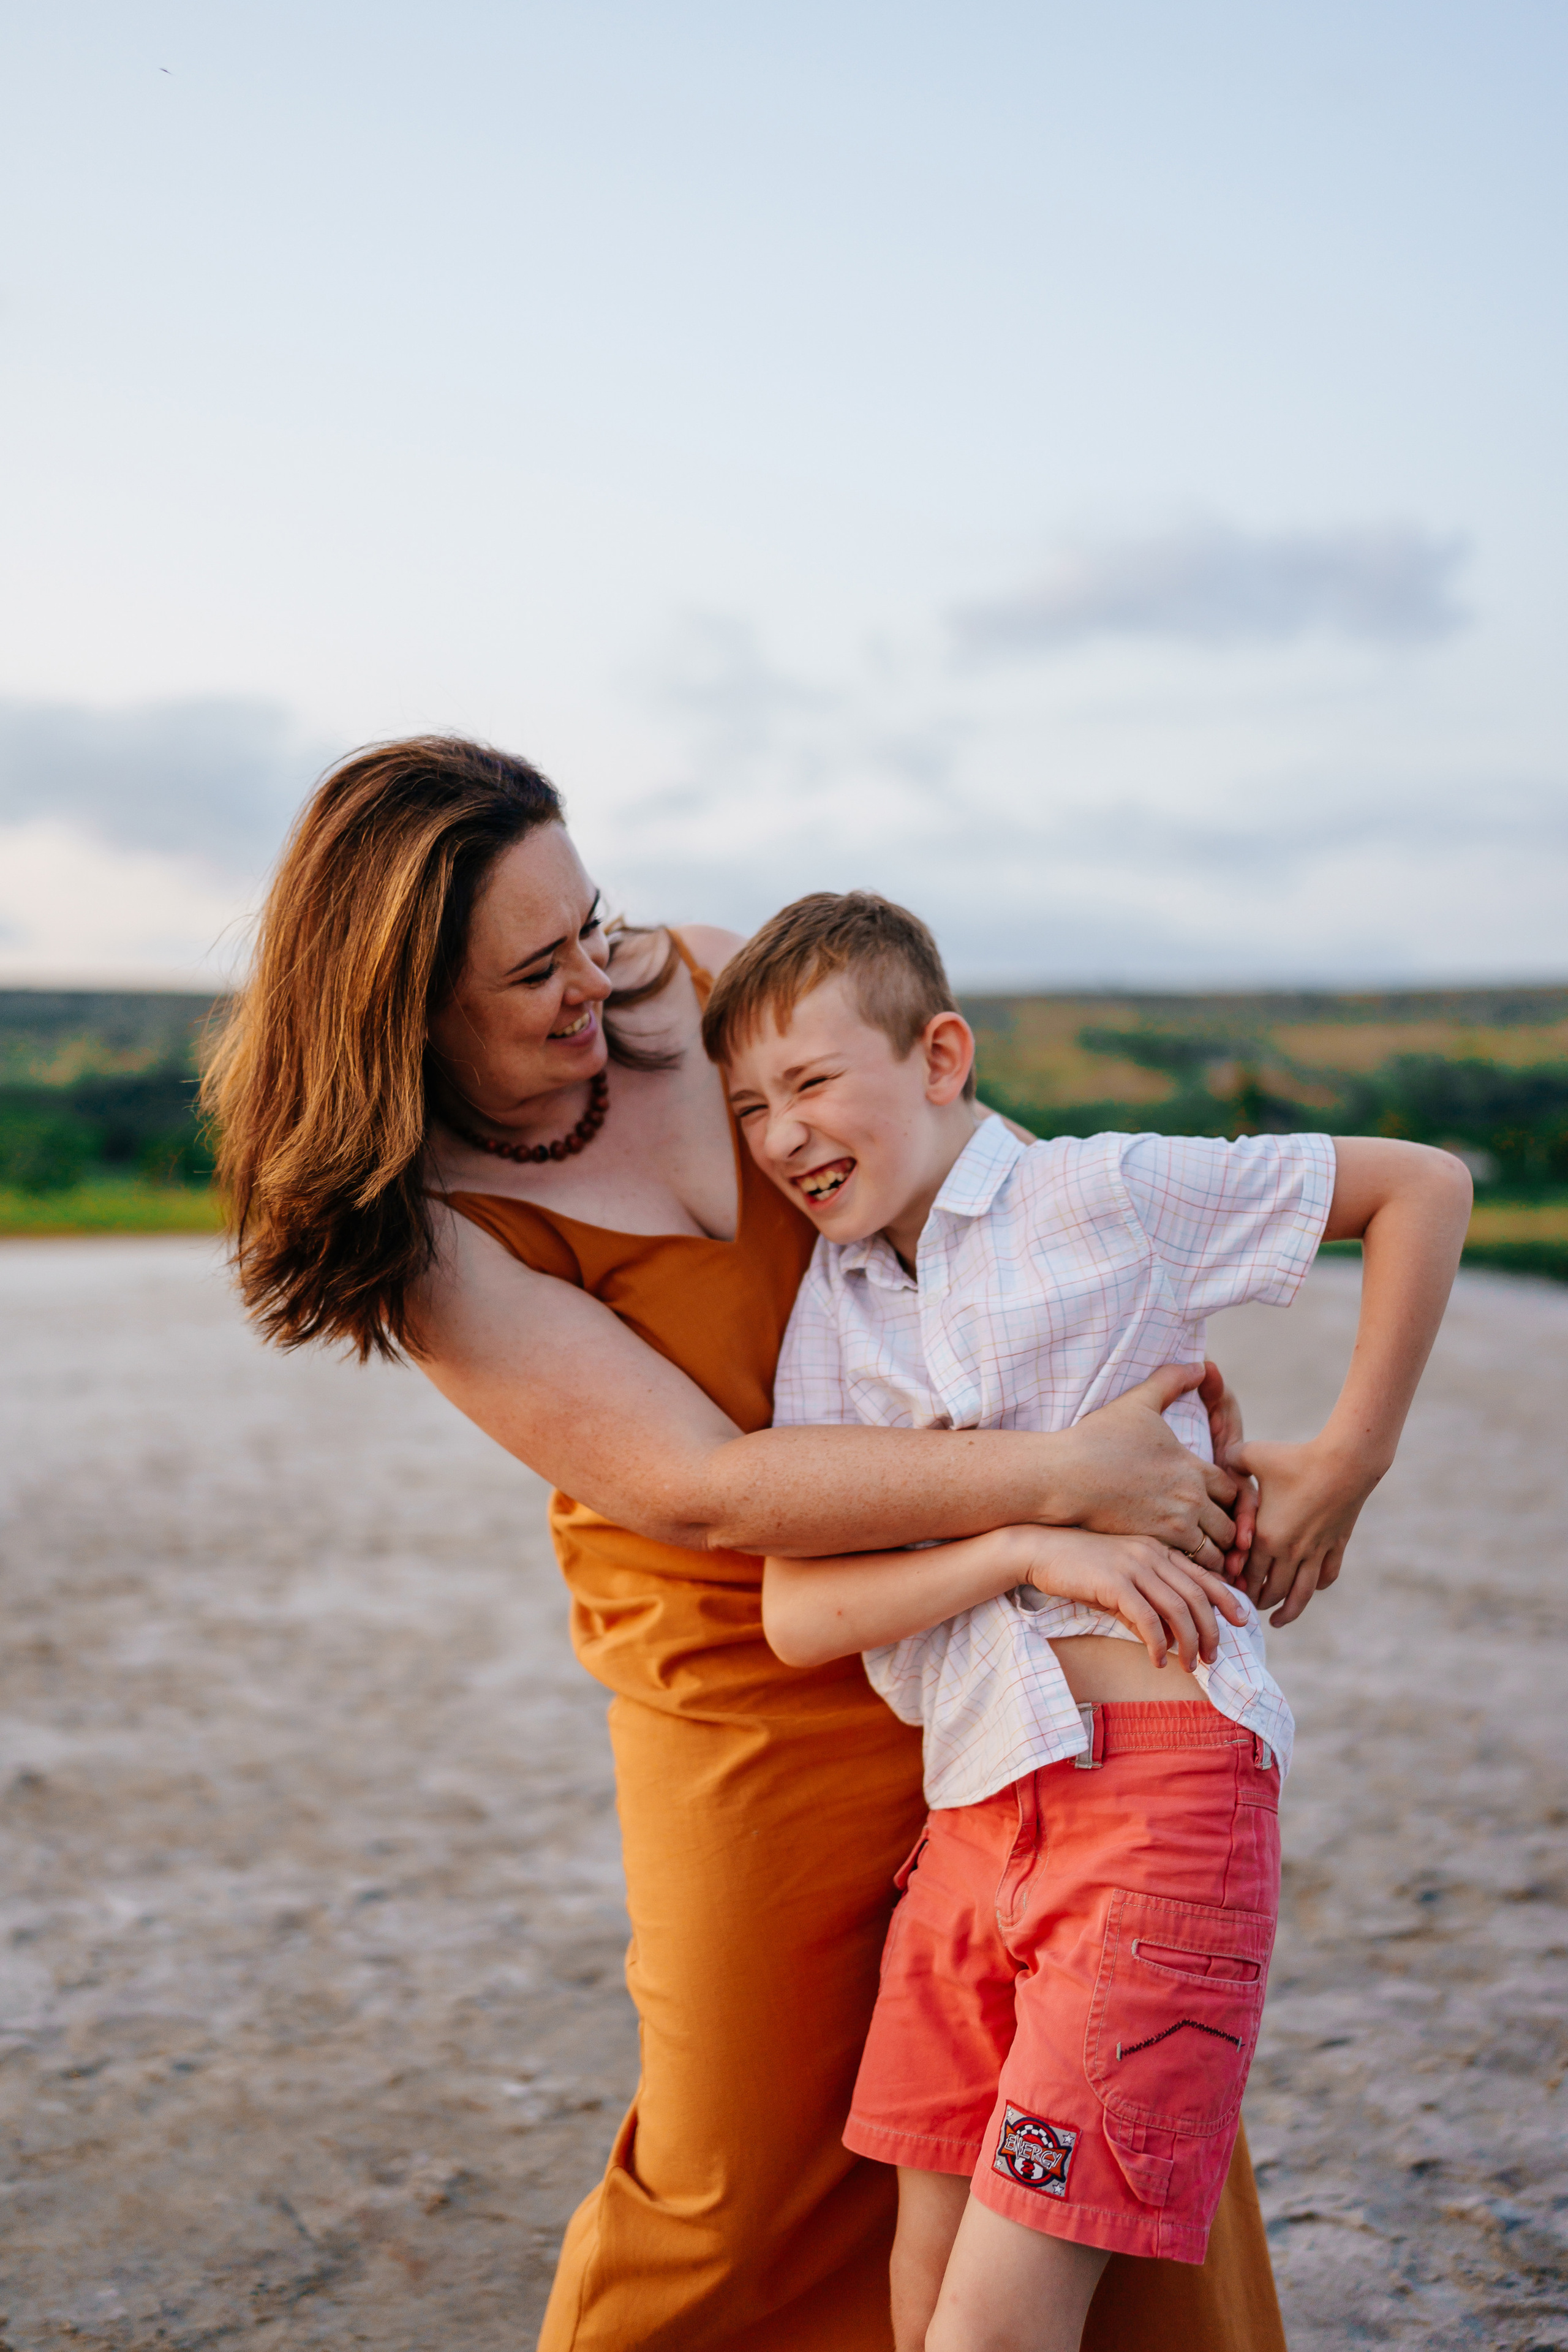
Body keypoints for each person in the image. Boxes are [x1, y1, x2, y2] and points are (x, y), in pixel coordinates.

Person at [207, 734, 1298, 2351]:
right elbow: (710, 1486)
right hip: (749, 1678)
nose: (601, 981)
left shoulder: (710, 982)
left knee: (1083, 2060)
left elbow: (992, 1216)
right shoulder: (424, 1223)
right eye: (537, 974)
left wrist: (1170, 1434)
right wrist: (1063, 1481)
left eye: (596, 922)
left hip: (999, 1637)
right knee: (735, 2163)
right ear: (408, 1015)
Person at [704, 888, 1472, 2352]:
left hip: (1158, 1799)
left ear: (939, 1058)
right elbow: (800, 1611)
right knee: (920, 2290)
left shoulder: (1101, 1191)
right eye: (748, 1109)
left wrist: (1345, 1461)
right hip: (972, 1816)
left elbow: (1421, 1187)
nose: (781, 1135)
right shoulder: (837, 1303)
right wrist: (1025, 1544)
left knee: (998, 2326)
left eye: (809, 1083)